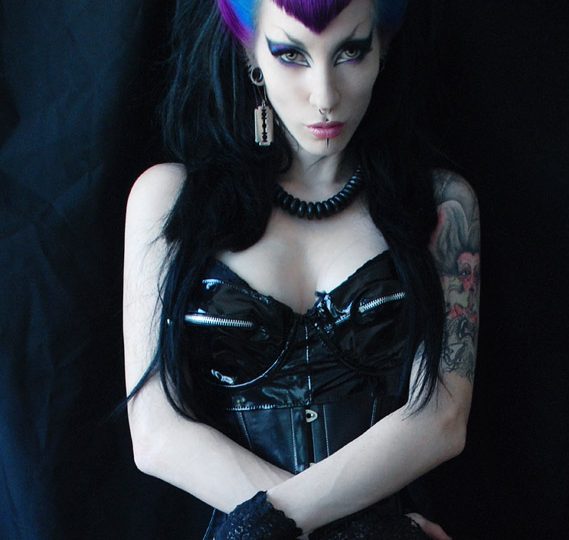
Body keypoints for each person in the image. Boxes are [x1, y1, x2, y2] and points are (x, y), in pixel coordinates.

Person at [123, 0, 479, 537]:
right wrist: (353, 531)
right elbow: (156, 433)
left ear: (382, 47)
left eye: (350, 52)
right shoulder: (168, 202)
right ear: (250, 53)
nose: (325, 95)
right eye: (291, 54)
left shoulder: (443, 205)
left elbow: (442, 420)